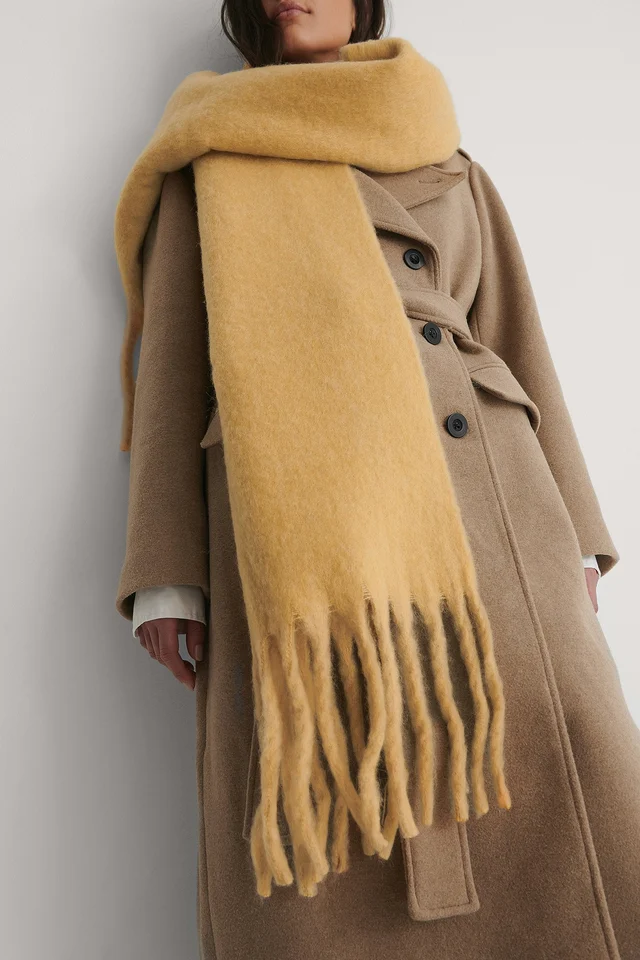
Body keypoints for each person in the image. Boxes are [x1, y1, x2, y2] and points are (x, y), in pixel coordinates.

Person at [113, 2, 640, 958]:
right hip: (298, 530)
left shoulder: (440, 144)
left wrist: (577, 536)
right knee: (318, 791)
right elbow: (175, 370)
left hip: (491, 507)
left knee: (571, 752)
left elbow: (516, 336)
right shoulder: (213, 155)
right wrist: (165, 572)